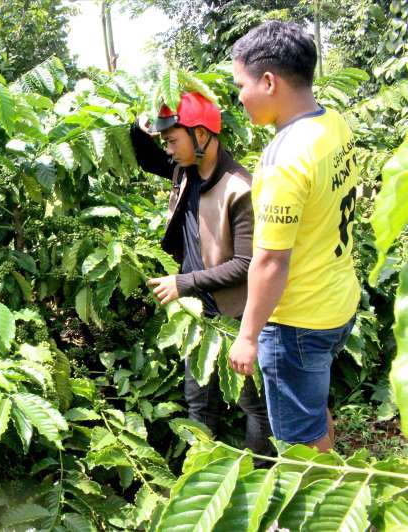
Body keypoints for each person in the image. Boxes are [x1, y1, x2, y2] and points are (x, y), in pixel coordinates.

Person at [229, 21, 359, 453]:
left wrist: (248, 336)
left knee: (298, 443)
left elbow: (270, 261)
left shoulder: (284, 160)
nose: (239, 97)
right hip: (338, 302)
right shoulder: (333, 124)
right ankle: (332, 484)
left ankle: (309, 516)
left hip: (297, 323)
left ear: (268, 81)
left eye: (241, 85)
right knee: (312, 407)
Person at [131, 91, 272, 459]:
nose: (169, 149)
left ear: (203, 135)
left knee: (253, 405)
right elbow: (147, 159)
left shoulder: (239, 188)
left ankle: (257, 482)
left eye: (173, 140)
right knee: (199, 402)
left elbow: (247, 263)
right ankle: (201, 477)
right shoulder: (185, 169)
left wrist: (183, 283)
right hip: (198, 314)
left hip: (235, 315)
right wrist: (139, 127)